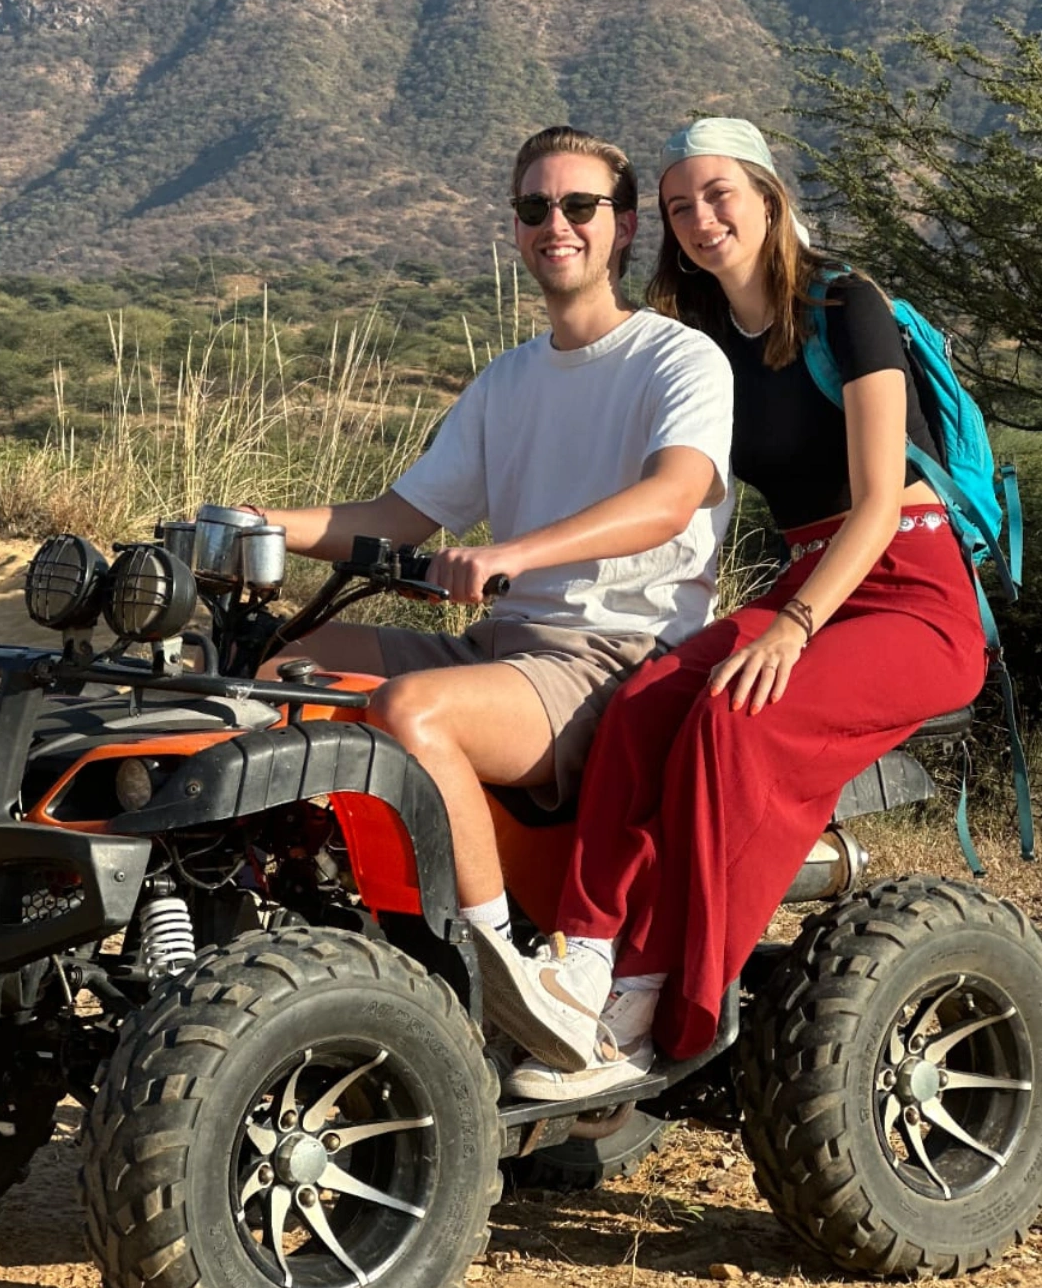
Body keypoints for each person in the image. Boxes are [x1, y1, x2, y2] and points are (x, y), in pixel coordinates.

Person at [477, 116, 989, 1098]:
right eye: (679, 206)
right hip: (807, 581)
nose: (702, 218)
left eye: (719, 195)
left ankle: (658, 1004)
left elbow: (879, 500)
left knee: (731, 717)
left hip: (910, 588)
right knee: (638, 706)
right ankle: (580, 966)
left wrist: (791, 629)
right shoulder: (703, 339)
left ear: (765, 196)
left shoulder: (847, 305)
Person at [257, 125, 734, 958]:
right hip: (498, 650)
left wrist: (516, 553)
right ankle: (299, 913)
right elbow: (401, 517)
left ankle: (491, 964)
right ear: (516, 226)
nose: (557, 223)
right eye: (534, 206)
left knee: (409, 710)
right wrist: (261, 527)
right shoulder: (508, 378)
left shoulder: (679, 358)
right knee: (269, 657)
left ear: (623, 225)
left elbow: (671, 499)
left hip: (613, 658)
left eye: (580, 205)